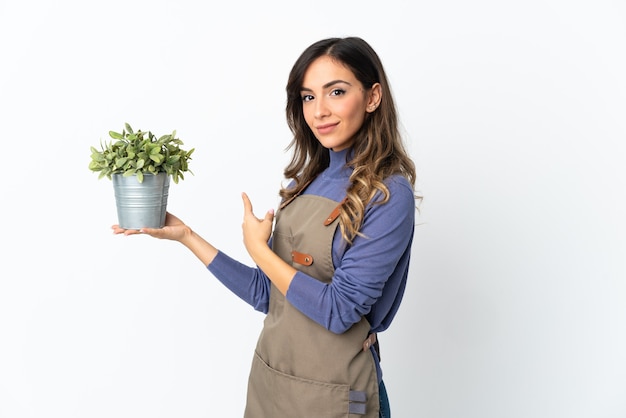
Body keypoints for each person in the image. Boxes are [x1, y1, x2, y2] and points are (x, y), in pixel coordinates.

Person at [113, 36, 418, 418]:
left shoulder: (389, 194)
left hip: (337, 395)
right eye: (308, 97)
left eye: (335, 92)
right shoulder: (305, 182)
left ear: (373, 97)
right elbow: (271, 294)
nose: (319, 111)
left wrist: (258, 249)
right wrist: (187, 237)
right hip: (273, 384)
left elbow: (339, 311)